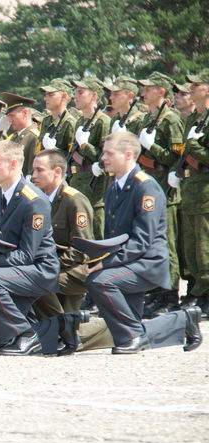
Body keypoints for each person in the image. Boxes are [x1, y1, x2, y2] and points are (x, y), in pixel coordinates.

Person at [85, 131, 200, 353]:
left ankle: (135, 336)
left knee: (99, 281)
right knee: (128, 328)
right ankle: (184, 320)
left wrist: (105, 263)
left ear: (129, 155)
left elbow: (142, 240)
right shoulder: (113, 188)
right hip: (128, 263)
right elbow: (113, 237)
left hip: (147, 263)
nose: (103, 158)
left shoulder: (146, 186)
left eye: (109, 153)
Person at [0, 141, 60, 354]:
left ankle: (26, 335)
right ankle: (50, 333)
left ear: (14, 163)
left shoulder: (33, 201)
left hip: (39, 270)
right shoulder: (0, 195)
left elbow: (26, 255)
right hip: (15, 270)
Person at [135, 73, 184, 316]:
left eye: (148, 89)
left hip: (166, 189)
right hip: (149, 189)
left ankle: (170, 295)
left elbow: (176, 159)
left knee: (168, 245)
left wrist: (152, 146)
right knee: (151, 244)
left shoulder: (171, 119)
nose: (143, 93)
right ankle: (156, 291)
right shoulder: (148, 118)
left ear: (162, 92)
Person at [30, 150, 93, 316]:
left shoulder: (73, 200)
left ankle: (65, 326)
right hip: (50, 267)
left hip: (73, 271)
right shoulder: (39, 201)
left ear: (57, 171)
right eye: (33, 170)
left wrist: (49, 264)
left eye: (40, 170)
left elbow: (82, 250)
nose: (33, 175)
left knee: (33, 282)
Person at [173, 70, 209, 312]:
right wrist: (177, 170)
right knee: (191, 245)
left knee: (205, 244)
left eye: (195, 85)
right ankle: (197, 288)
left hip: (206, 191)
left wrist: (195, 145)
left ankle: (207, 294)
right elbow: (185, 153)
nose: (190, 89)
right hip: (190, 189)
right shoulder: (192, 120)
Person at [69, 77, 112, 239]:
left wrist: (86, 145)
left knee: (96, 235)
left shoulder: (103, 122)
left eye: (80, 92)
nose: (76, 96)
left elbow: (105, 158)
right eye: (75, 92)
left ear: (94, 96)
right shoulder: (80, 120)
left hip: (95, 188)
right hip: (78, 182)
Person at [0, 92, 39, 177]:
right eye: (8, 116)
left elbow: (32, 170)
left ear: (25, 113)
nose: (10, 120)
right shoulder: (13, 137)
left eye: (12, 116)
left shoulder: (34, 137)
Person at [38, 78, 77, 153]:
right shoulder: (46, 121)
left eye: (51, 94)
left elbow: (72, 156)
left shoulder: (70, 123)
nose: (45, 98)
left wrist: (55, 150)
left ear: (64, 96)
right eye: (45, 95)